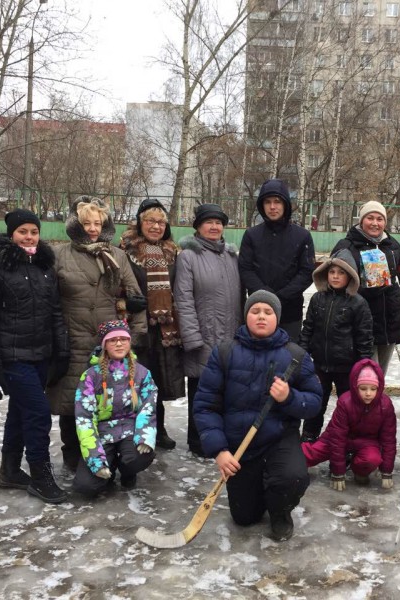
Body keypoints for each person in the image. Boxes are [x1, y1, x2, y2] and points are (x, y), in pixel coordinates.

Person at [193, 291, 323, 541]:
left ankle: (280, 511)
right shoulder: (224, 353)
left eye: (268, 312)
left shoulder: (296, 356)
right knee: (244, 518)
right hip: (240, 443)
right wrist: (219, 450)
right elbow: (205, 405)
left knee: (292, 477)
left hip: (278, 438)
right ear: (246, 316)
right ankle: (258, 491)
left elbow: (315, 402)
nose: (261, 316)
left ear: (277, 318)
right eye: (255, 311)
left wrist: (289, 398)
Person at [0, 209, 70, 503]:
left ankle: (10, 470)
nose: (29, 237)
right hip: (12, 357)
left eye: (34, 232)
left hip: (41, 355)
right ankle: (40, 477)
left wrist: (61, 350)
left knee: (20, 412)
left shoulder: (44, 268)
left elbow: (55, 312)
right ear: (11, 234)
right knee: (38, 414)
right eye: (23, 232)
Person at [48, 196, 146, 473]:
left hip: (109, 341)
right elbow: (50, 300)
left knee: (109, 399)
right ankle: (74, 457)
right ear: (75, 224)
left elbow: (135, 297)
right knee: (71, 401)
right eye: (86, 223)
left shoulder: (117, 255)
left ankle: (108, 453)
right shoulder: (60, 255)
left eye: (97, 222)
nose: (92, 228)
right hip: (73, 338)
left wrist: (136, 335)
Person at [173, 203, 243, 457]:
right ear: (198, 227)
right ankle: (198, 441)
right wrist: (192, 338)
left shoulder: (231, 256)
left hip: (229, 338)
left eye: (218, 222)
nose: (214, 227)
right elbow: (183, 299)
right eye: (208, 222)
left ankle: (221, 439)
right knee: (202, 395)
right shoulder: (188, 257)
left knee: (226, 392)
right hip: (202, 338)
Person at [120, 198, 184, 450]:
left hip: (164, 327)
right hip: (136, 325)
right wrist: (127, 304)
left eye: (160, 222)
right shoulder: (126, 251)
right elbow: (115, 287)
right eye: (150, 221)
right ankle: (134, 430)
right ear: (139, 223)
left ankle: (158, 429)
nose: (156, 226)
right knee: (135, 381)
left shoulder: (173, 252)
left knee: (157, 379)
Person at [73, 320, 157, 497]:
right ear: (104, 345)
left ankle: (127, 469)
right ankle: (107, 465)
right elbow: (84, 418)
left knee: (141, 456)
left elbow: (148, 407)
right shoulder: (90, 376)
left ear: (129, 342)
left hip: (129, 430)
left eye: (123, 339)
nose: (119, 343)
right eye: (113, 340)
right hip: (103, 435)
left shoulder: (142, 373)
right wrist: (96, 459)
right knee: (85, 487)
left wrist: (144, 437)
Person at [298, 249, 373, 442]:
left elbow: (364, 337)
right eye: (332, 272)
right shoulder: (317, 299)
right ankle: (309, 438)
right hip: (320, 365)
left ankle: (348, 442)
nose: (336, 277)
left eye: (341, 273)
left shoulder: (358, 303)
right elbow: (308, 329)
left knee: (348, 407)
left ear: (350, 276)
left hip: (347, 367)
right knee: (316, 403)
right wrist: (303, 353)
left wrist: (364, 365)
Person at [332, 200, 400, 373]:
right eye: (370, 218)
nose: (375, 223)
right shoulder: (347, 245)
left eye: (380, 219)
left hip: (389, 320)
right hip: (361, 319)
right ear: (361, 221)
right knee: (366, 375)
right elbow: (334, 281)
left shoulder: (391, 244)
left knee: (380, 375)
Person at [302, 358, 396, 491]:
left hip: (367, 441)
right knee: (313, 453)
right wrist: (338, 472)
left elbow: (389, 440)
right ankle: (288, 460)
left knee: (371, 458)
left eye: (373, 389)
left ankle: (359, 470)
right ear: (355, 386)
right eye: (363, 388)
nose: (368, 393)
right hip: (337, 438)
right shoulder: (345, 402)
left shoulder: (385, 406)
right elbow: (337, 438)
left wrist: (387, 471)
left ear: (379, 388)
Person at [239, 179, 316, 341]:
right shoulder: (252, 235)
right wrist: (265, 296)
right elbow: (245, 269)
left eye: (277, 201)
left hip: (290, 312)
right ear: (261, 205)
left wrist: (281, 297)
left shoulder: (302, 236)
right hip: (258, 312)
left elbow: (306, 272)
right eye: (267, 202)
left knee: (288, 360)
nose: (272, 207)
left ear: (285, 204)